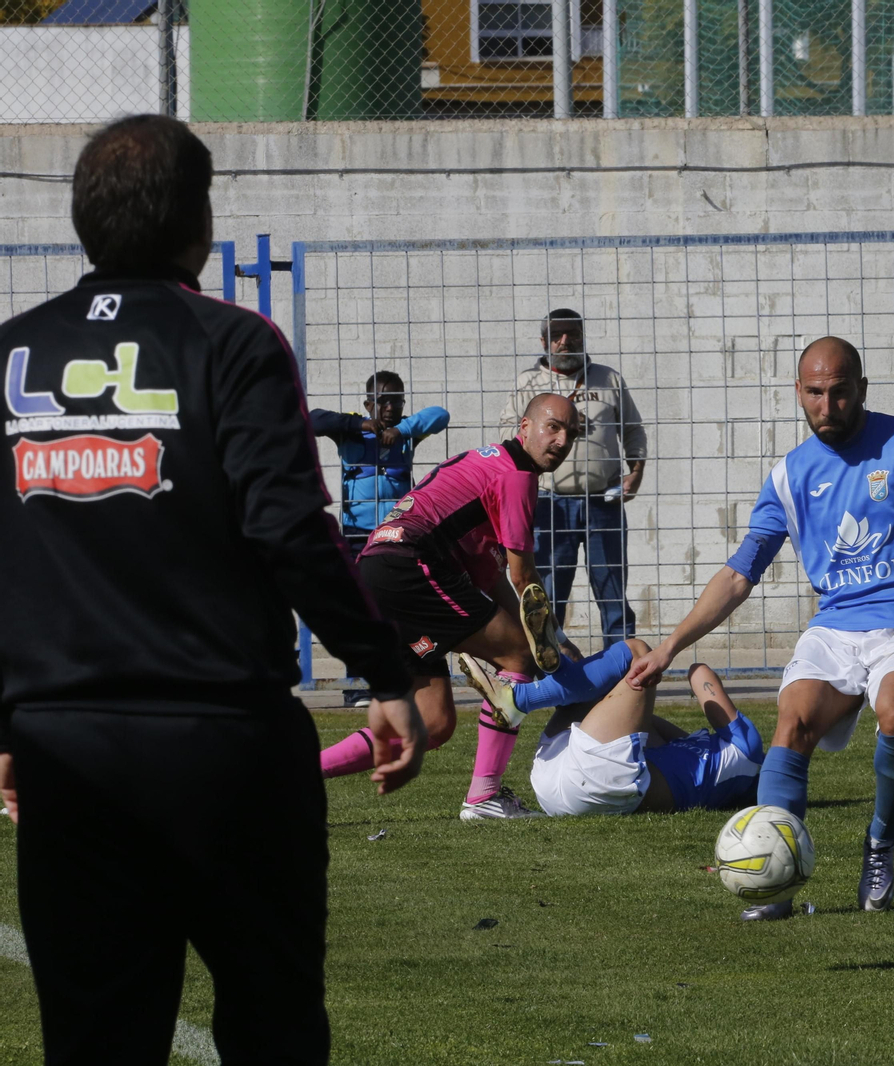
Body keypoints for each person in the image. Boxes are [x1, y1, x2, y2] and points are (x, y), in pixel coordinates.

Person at [0, 114, 425, 1065]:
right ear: (198, 223)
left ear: (82, 220)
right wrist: (383, 667)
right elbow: (289, 530)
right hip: (224, 744)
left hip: (70, 752)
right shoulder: (233, 342)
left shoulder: (11, 355)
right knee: (272, 1026)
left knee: (97, 1039)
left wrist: (9, 721)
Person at [626, 336, 894, 920]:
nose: (826, 406)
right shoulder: (789, 476)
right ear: (798, 392)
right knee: (794, 722)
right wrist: (671, 646)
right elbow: (739, 573)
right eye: (814, 393)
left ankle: (879, 845)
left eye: (838, 392)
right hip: (837, 625)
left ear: (861, 389)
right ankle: (773, 885)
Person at [318, 393, 579, 821]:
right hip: (409, 565)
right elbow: (521, 577)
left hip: (376, 569)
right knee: (516, 655)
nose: (562, 440)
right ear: (524, 428)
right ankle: (484, 797)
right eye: (553, 427)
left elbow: (488, 575)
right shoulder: (516, 476)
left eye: (571, 432)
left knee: (434, 723)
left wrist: (524, 635)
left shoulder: (484, 462)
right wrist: (555, 641)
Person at [499, 309, 646, 647]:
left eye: (572, 335)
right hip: (549, 503)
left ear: (583, 338)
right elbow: (508, 434)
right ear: (544, 341)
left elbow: (633, 430)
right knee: (547, 595)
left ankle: (623, 677)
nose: (564, 342)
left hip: (602, 501)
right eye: (556, 336)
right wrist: (558, 420)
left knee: (612, 595)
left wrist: (635, 473)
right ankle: (554, 674)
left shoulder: (608, 379)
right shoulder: (527, 383)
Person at [461, 654, 762, 816]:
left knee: (638, 655)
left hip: (603, 781)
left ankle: (523, 697)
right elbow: (634, 718)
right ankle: (559, 657)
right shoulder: (717, 769)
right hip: (559, 789)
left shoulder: (747, 750)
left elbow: (699, 671)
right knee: (597, 685)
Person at [308, 370, 449, 552]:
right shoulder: (350, 429)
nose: (390, 408)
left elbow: (441, 415)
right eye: (382, 401)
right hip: (357, 530)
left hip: (399, 526)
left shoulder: (408, 432)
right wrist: (359, 424)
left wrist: (401, 430)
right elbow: (313, 420)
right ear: (368, 405)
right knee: (359, 577)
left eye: (397, 401)